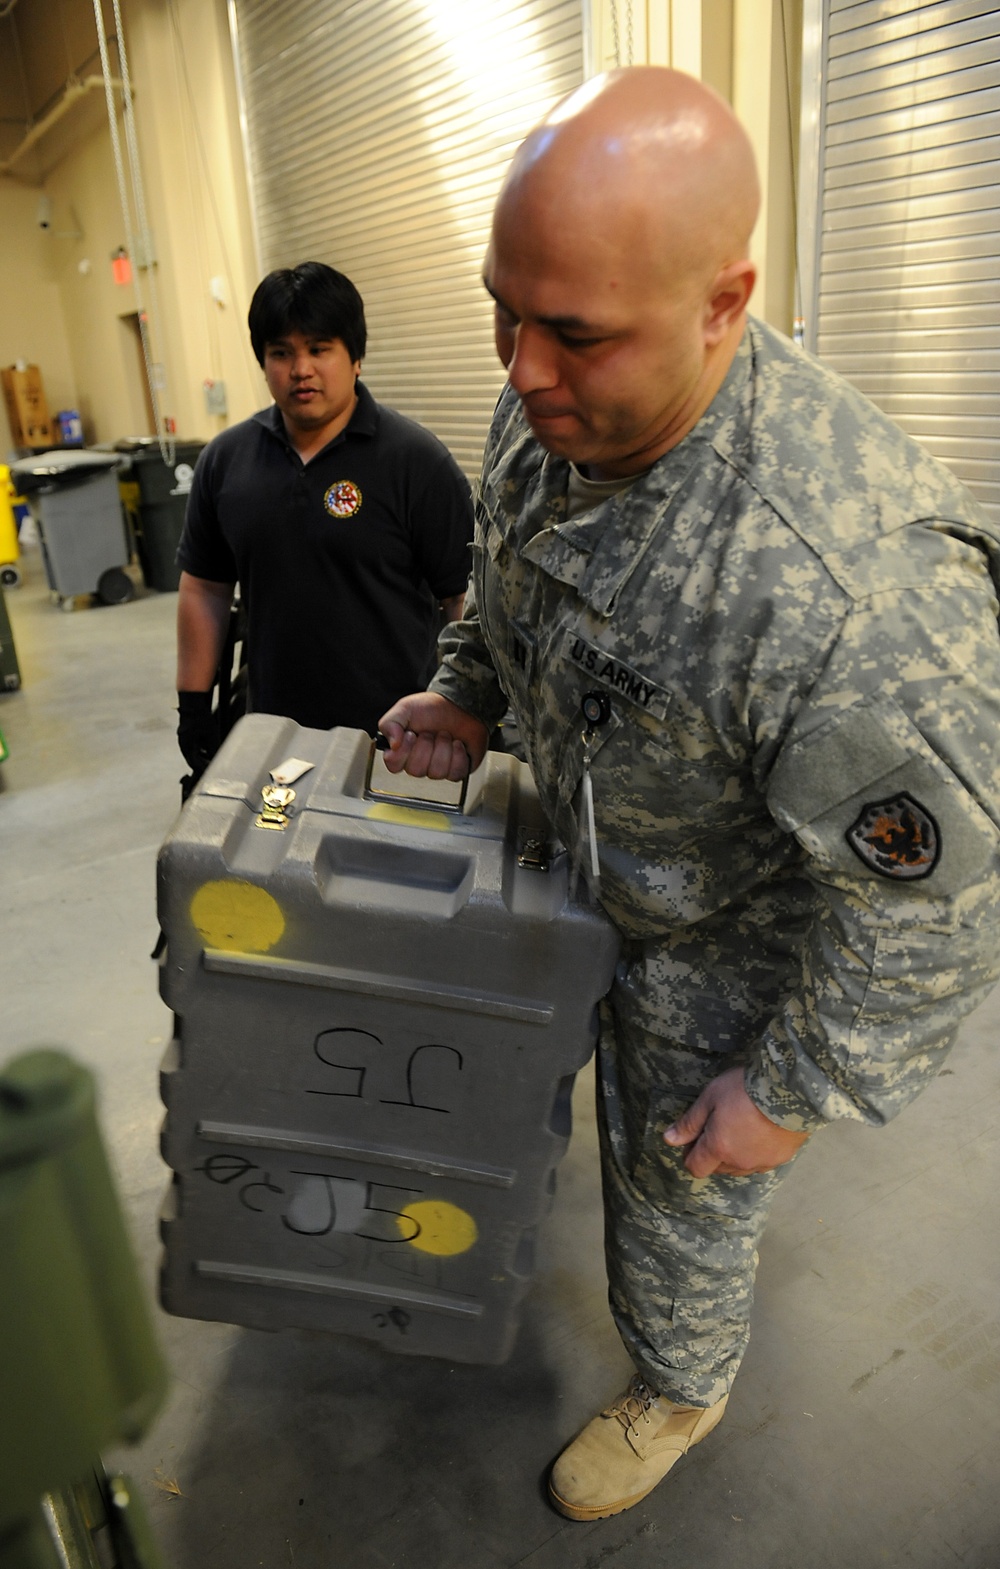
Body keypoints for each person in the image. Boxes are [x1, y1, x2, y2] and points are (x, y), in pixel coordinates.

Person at [379, 68, 1000, 1521]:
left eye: (573, 333)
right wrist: (469, 686)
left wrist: (784, 1093)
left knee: (681, 1187)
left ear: (726, 301)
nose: (520, 367)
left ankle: (682, 1379)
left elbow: (933, 913)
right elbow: (505, 578)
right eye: (502, 309)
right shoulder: (554, 406)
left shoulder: (853, 594)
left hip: (724, 931)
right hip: (577, 844)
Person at [175, 261, 473, 781]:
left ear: (356, 357)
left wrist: (462, 709)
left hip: (397, 744)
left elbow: (462, 602)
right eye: (281, 353)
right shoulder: (227, 461)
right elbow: (205, 587)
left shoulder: (416, 462)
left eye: (319, 349)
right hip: (271, 736)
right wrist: (194, 704)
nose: (300, 369)